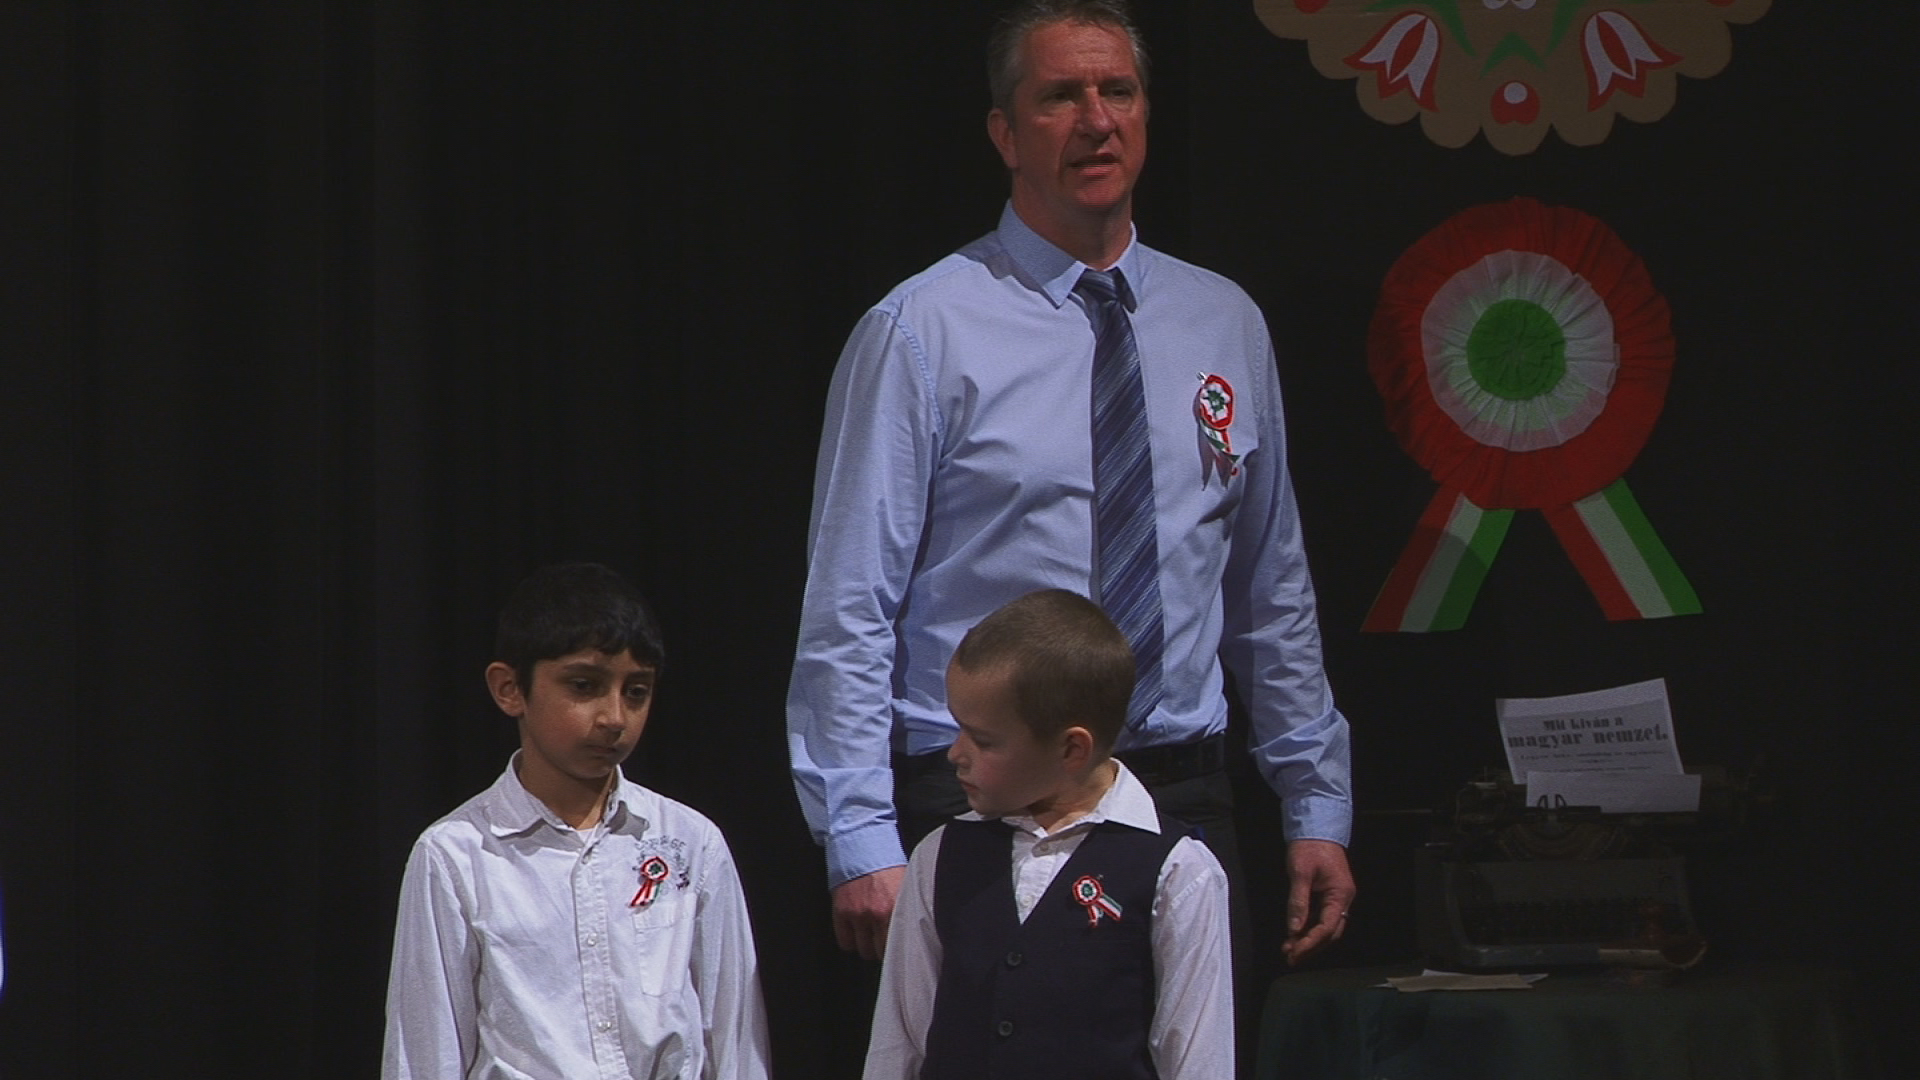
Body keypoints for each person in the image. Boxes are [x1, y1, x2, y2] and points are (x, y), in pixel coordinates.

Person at [786, 0, 1353, 980]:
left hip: (1184, 798)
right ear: (1005, 133)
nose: (1096, 120)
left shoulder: (1222, 322)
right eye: (1060, 97)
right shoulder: (922, 331)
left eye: (1117, 91)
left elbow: (1271, 591)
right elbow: (849, 608)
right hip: (988, 803)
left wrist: (1315, 803)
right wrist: (860, 834)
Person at [383, 562, 770, 1080]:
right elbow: (424, 1053)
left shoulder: (690, 841)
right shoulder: (457, 853)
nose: (614, 717)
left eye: (636, 691)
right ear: (509, 688)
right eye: (584, 686)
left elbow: (735, 1037)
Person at [863, 589, 1230, 1080]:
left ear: (1072, 750)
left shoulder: (1179, 870)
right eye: (957, 728)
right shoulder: (941, 855)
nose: (955, 754)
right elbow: (899, 1044)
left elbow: (1199, 1060)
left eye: (983, 740)